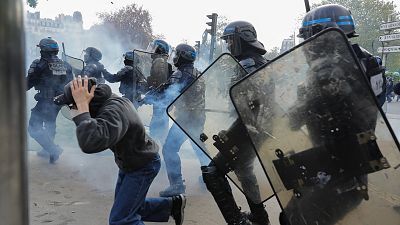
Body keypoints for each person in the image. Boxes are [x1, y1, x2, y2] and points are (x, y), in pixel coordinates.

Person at [281, 4, 387, 224]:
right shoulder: (366, 62)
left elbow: (294, 119)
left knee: (294, 220)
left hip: (336, 174)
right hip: (350, 165)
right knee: (290, 217)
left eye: (309, 39)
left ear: (322, 36)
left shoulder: (329, 71)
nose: (306, 47)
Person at [54, 76, 186, 225]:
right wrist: (84, 106)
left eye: (73, 105)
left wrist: (83, 110)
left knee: (122, 219)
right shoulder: (106, 100)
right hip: (133, 161)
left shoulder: (113, 110)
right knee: (126, 207)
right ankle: (172, 206)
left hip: (142, 164)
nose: (72, 109)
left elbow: (91, 142)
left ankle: (170, 206)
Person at [200, 21, 271, 225]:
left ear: (242, 40)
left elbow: (253, 104)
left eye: (231, 41)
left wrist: (233, 133)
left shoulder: (248, 64)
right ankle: (260, 218)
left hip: (248, 127)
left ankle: (238, 222)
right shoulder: (259, 61)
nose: (229, 45)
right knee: (244, 169)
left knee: (212, 173)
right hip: (256, 127)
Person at [158, 43, 210, 197]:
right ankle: (210, 179)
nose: (175, 57)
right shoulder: (198, 73)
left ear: (182, 56)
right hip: (199, 117)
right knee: (200, 149)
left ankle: (177, 185)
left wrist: (151, 98)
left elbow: (166, 94)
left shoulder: (179, 75)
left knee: (169, 149)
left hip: (185, 119)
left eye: (177, 54)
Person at [26, 37, 73, 163]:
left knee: (32, 127)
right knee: (50, 124)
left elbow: (28, 83)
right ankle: (48, 151)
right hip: (59, 101)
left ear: (43, 50)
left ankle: (53, 150)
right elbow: (70, 84)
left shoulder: (39, 64)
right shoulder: (66, 65)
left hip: (45, 101)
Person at [146, 39, 173, 144]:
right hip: (162, 101)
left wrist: (151, 92)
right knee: (160, 126)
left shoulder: (159, 61)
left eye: (154, 48)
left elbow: (159, 83)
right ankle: (159, 150)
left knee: (156, 128)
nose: (151, 50)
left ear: (159, 49)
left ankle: (156, 152)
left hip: (161, 101)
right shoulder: (162, 61)